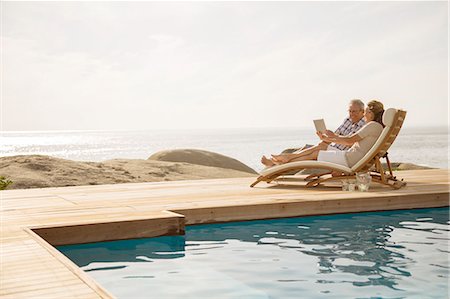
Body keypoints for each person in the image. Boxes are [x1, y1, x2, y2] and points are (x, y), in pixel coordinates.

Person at [261, 100, 385, 168]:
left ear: (373, 114)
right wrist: (329, 137)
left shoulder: (371, 125)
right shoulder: (375, 127)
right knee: (315, 149)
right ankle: (283, 161)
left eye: (367, 112)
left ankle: (284, 160)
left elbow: (349, 141)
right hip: (347, 155)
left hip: (349, 158)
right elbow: (348, 139)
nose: (365, 115)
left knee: (317, 151)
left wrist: (330, 138)